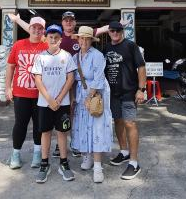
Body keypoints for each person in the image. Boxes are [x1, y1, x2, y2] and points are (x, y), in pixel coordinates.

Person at [8, 11, 117, 157]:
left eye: (71, 20)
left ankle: (74, 143)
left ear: (75, 22)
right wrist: (17, 21)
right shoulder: (52, 38)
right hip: (54, 85)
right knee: (47, 119)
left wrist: (117, 25)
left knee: (73, 116)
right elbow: (34, 30)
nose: (69, 23)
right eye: (66, 20)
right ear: (62, 22)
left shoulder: (80, 36)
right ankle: (54, 148)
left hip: (74, 82)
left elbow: (100, 30)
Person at [31, 24, 77, 183]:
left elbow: (70, 78)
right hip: (44, 103)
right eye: (50, 37)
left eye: (56, 37)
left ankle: (64, 163)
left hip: (62, 103)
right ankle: (45, 163)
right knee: (45, 132)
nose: (53, 39)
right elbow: (37, 79)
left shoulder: (67, 56)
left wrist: (59, 99)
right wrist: (49, 99)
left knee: (62, 132)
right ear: (47, 38)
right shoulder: (41, 57)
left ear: (60, 39)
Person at [104, 21, 146, 180]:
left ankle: (134, 163)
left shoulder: (130, 46)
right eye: (112, 30)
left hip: (129, 92)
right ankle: (124, 152)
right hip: (113, 94)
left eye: (118, 30)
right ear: (108, 32)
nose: (115, 33)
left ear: (122, 31)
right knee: (118, 121)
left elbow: (141, 67)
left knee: (130, 123)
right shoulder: (107, 48)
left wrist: (141, 90)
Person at [70, 26, 113, 183]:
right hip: (81, 95)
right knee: (83, 126)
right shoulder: (75, 58)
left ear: (91, 40)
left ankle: (97, 166)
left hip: (96, 94)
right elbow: (72, 80)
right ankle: (87, 157)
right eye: (81, 38)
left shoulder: (97, 55)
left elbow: (99, 78)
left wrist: (89, 97)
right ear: (78, 39)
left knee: (96, 128)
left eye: (87, 39)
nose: (84, 41)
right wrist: (74, 98)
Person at [5, 16, 49, 170]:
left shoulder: (47, 45)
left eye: (40, 28)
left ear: (43, 31)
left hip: (41, 94)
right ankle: (15, 153)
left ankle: (38, 153)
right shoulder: (19, 45)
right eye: (34, 27)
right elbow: (10, 66)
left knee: (39, 125)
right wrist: (7, 87)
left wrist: (17, 20)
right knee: (20, 124)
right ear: (29, 28)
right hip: (20, 93)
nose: (36, 30)